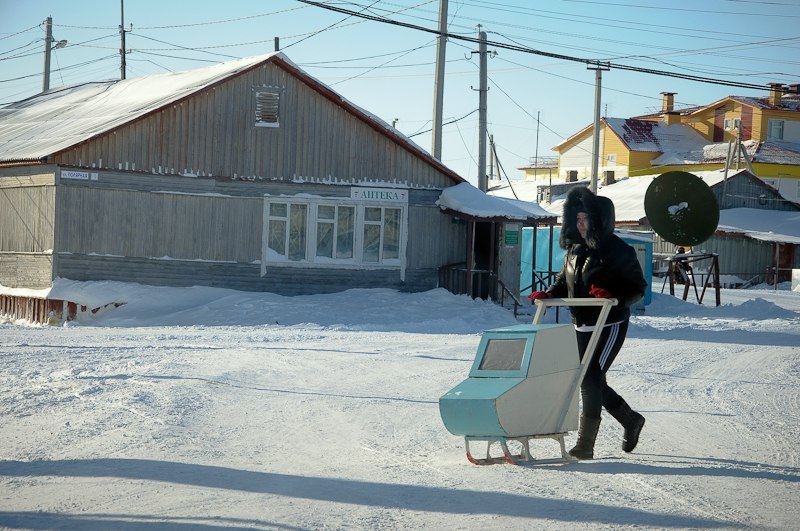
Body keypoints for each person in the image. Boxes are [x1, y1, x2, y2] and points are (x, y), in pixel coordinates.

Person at [528, 186, 648, 460]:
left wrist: (614, 297)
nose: (581, 225)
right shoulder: (573, 250)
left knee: (590, 377)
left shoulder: (619, 250)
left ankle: (586, 444)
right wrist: (549, 293)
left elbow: (638, 287)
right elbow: (563, 282)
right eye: (577, 220)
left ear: (599, 220)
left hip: (609, 322)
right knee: (586, 377)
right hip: (581, 321)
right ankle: (630, 420)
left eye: (586, 220)